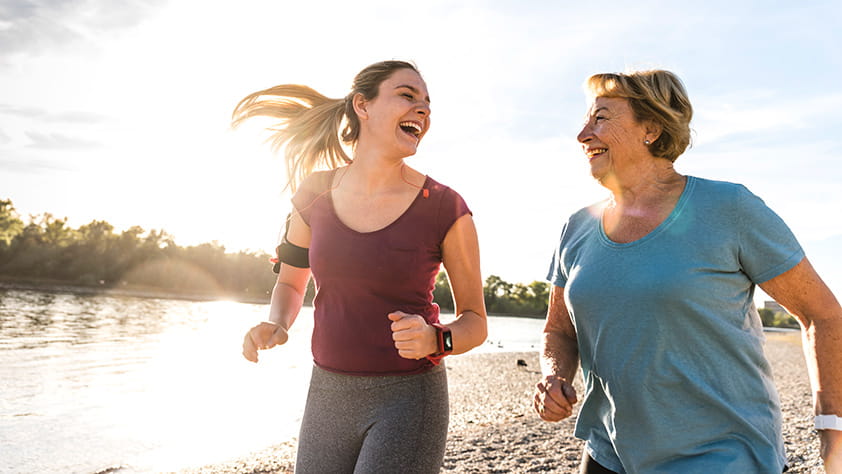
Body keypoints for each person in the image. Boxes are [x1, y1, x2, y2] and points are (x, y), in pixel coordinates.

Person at [534, 69, 842, 473]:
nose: (583, 135)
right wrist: (554, 377)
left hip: (721, 456)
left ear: (652, 128)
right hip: (608, 453)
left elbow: (822, 315)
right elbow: (558, 330)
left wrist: (832, 434)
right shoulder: (577, 227)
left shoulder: (730, 207)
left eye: (601, 118)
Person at [231, 60, 487, 473]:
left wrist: (436, 340)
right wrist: (278, 323)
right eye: (407, 95)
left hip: (409, 397)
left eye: (427, 103)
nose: (423, 110)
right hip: (327, 393)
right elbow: (293, 284)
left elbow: (476, 322)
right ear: (362, 106)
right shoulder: (314, 192)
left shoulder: (445, 207)